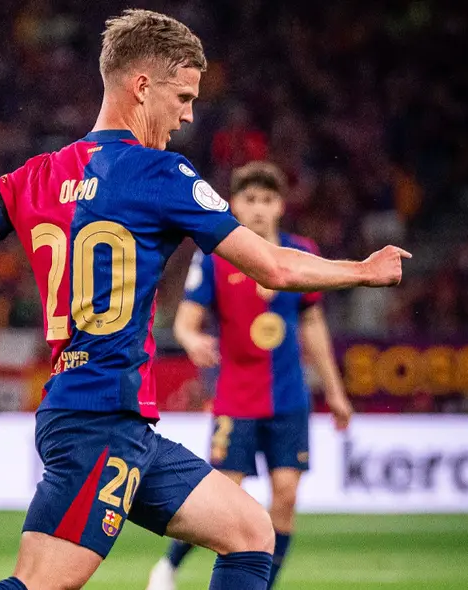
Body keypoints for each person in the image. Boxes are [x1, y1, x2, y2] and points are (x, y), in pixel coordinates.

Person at [0, 9, 409, 590]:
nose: (187, 115)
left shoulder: (34, 176)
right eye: (182, 97)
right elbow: (275, 266)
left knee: (250, 531)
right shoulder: (160, 174)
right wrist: (361, 269)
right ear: (140, 87)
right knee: (41, 585)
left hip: (115, 422)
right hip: (98, 419)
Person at [147, 161, 354, 590]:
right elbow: (186, 319)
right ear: (235, 206)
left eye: (267, 200)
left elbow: (313, 325)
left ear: (280, 206)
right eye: (249, 199)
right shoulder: (217, 258)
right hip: (236, 398)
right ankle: (167, 566)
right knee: (223, 500)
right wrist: (190, 339)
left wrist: (334, 391)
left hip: (289, 398)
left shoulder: (301, 255)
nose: (258, 209)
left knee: (286, 498)